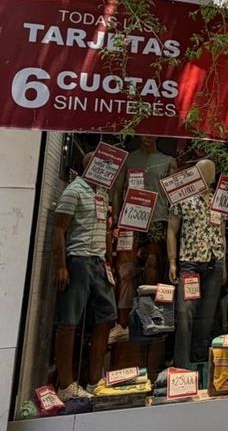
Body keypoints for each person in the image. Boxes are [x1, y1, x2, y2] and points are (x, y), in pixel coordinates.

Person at [53, 152, 116, 400]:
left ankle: (94, 380)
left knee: (106, 318)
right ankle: (66, 384)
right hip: (78, 259)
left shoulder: (102, 193)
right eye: (98, 165)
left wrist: (108, 258)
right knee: (69, 321)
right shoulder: (74, 191)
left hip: (99, 261)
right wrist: (61, 265)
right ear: (87, 166)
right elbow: (59, 228)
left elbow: (105, 228)